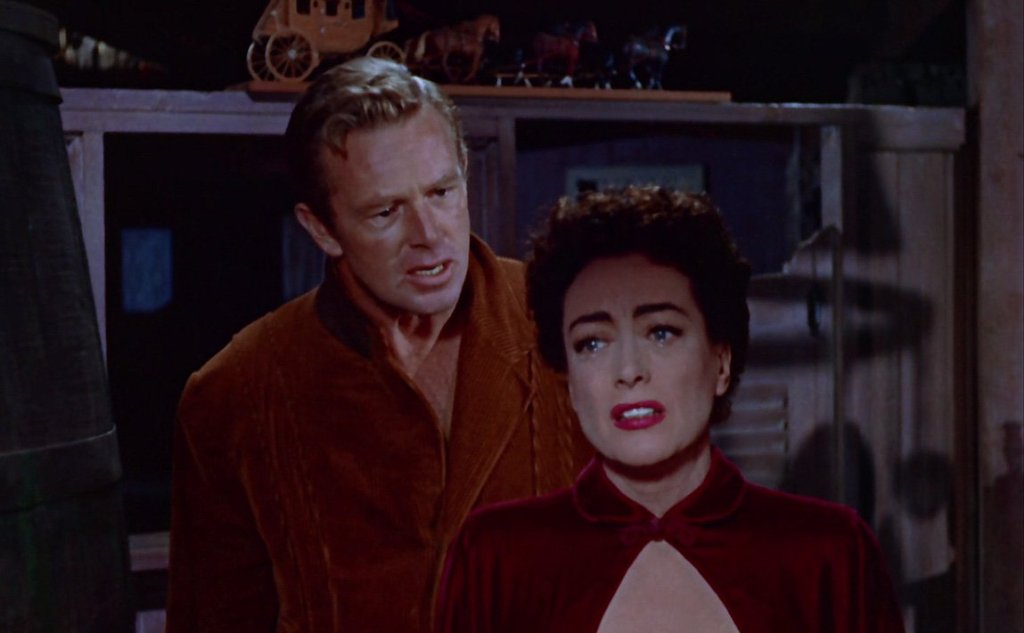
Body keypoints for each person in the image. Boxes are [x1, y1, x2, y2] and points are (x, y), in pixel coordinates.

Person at [165, 57, 590, 632]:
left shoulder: (576, 326)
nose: (429, 234)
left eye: (442, 191)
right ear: (322, 228)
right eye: (386, 211)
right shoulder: (234, 394)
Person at [437, 186, 905, 632]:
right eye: (592, 343)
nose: (628, 370)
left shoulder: (831, 553)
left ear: (721, 362)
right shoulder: (494, 557)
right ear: (572, 382)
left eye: (661, 333)